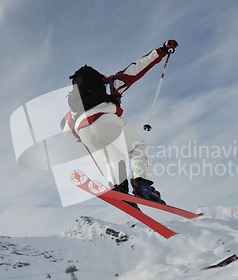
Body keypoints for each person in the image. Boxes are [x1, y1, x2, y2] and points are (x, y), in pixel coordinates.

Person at [61, 40, 178, 205]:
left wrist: (80, 137)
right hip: (106, 120)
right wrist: (162, 50)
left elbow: (66, 131)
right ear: (98, 78)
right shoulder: (110, 84)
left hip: (83, 130)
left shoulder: (74, 105)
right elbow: (137, 68)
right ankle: (142, 184)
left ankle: (120, 189)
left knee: (115, 157)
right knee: (138, 147)